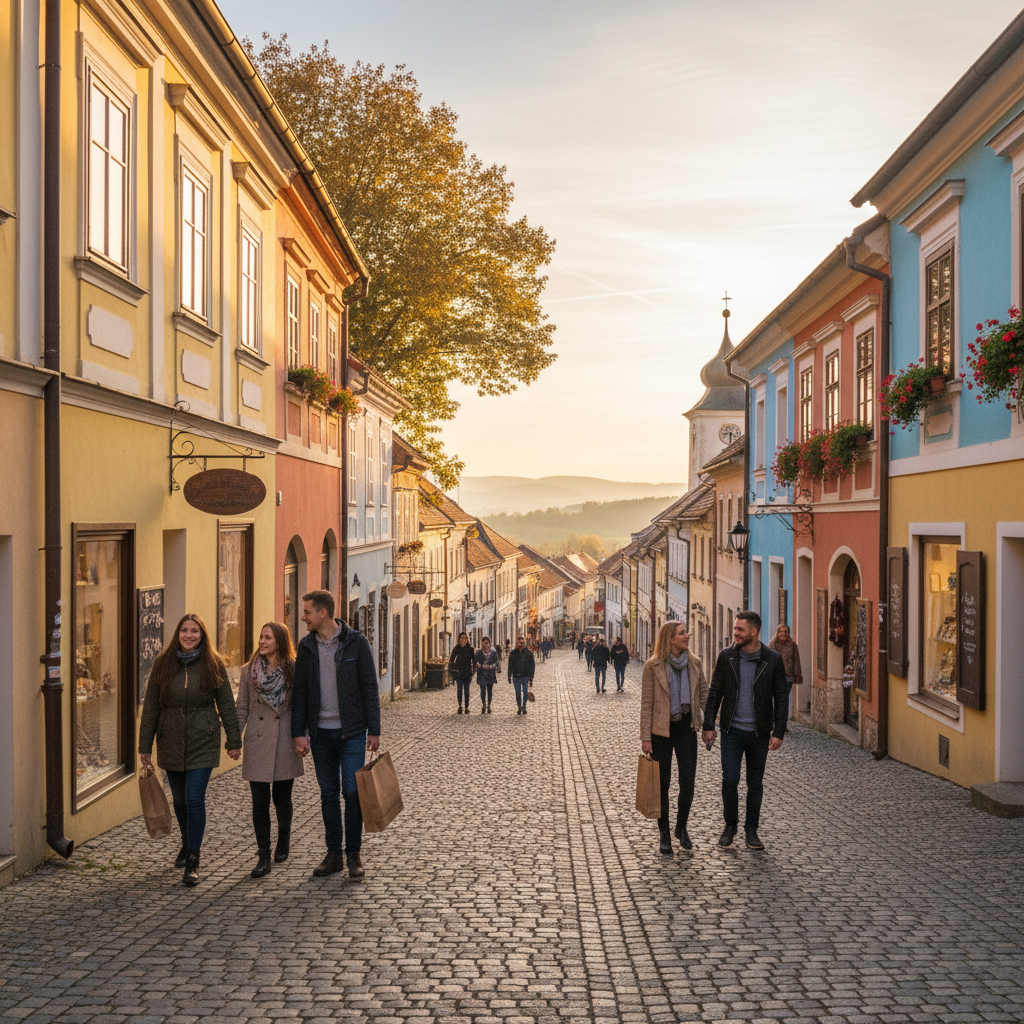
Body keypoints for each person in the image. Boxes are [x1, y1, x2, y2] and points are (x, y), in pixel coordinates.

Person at [138, 613, 241, 886]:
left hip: (202, 739)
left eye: (195, 631)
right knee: (180, 801)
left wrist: (233, 741)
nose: (189, 635)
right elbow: (151, 708)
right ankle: (186, 842)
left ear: (202, 635)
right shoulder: (163, 664)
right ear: (178, 633)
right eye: (184, 630)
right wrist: (144, 746)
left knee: (194, 798)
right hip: (170, 738)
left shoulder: (213, 663)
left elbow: (227, 705)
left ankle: (193, 858)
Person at [292, 590, 381, 880]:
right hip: (320, 733)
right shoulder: (306, 647)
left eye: (307, 612)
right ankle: (334, 855)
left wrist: (374, 729)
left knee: (352, 793)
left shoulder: (356, 642)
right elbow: (301, 692)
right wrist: (299, 733)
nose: (303, 617)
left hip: (352, 732)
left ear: (323, 613)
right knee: (328, 794)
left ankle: (354, 854)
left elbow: (369, 686)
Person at [702, 610, 789, 851]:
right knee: (730, 780)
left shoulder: (773, 660)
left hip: (759, 733)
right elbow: (715, 691)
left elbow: (781, 698)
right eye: (735, 628)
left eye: (740, 629)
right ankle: (730, 826)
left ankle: (751, 831)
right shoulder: (727, 657)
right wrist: (709, 725)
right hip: (732, 730)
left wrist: (778, 731)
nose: (735, 633)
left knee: (755, 783)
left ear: (754, 631)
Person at [236, 622, 305, 878]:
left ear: (280, 641)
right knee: (259, 801)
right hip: (257, 738)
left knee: (282, 799)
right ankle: (263, 855)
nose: (262, 642)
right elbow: (242, 707)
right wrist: (234, 739)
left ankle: (283, 838)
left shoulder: (294, 670)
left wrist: (303, 736)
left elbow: (301, 706)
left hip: (285, 738)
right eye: (260, 637)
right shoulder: (248, 671)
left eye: (268, 638)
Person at [641, 621, 708, 855]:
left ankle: (681, 826)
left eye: (686, 632)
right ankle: (665, 833)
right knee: (663, 785)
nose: (687, 636)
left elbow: (704, 695)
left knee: (687, 783)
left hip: (686, 728)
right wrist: (645, 737)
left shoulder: (694, 663)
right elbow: (646, 703)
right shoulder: (653, 666)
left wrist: (709, 725)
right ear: (670, 638)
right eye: (682, 633)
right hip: (661, 731)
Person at [769, 623, 803, 701]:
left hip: (788, 676)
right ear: (777, 633)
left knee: (784, 698)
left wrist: (797, 675)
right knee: (776, 697)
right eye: (781, 631)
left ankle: (783, 713)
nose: (783, 634)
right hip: (775, 676)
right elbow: (768, 661)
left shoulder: (793, 645)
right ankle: (775, 713)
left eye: (785, 632)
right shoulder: (772, 645)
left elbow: (796, 661)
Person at [507, 635, 536, 715]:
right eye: (518, 642)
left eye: (521, 642)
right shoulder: (513, 653)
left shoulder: (528, 653)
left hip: (525, 676)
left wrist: (531, 677)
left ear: (524, 643)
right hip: (516, 676)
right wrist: (509, 675)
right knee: (518, 692)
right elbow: (510, 665)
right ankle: (519, 706)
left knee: (525, 691)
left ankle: (524, 706)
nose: (519, 644)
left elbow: (532, 665)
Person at [448, 631, 476, 714]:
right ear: (459, 639)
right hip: (459, 673)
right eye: (461, 638)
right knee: (459, 690)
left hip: (467, 673)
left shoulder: (470, 649)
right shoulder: (456, 648)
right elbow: (451, 660)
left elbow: (474, 661)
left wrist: (473, 671)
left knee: (467, 691)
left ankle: (467, 707)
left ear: (467, 640)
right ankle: (460, 706)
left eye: (465, 638)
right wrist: (452, 670)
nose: (463, 640)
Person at [475, 636, 499, 713]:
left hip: (490, 674)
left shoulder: (493, 652)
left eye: (487, 643)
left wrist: (492, 666)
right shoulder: (479, 652)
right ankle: (483, 705)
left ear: (489, 644)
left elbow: (496, 662)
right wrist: (479, 665)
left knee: (489, 690)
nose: (485, 645)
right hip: (482, 674)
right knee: (482, 690)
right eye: (483, 643)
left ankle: (489, 705)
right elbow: (476, 661)